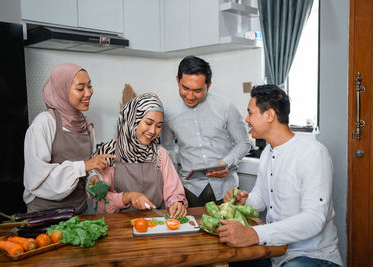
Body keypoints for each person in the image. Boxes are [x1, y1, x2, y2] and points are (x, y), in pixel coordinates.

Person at [218, 85, 342, 267]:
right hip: (275, 251)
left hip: (312, 255)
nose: (246, 119)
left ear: (269, 116)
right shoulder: (268, 151)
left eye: (250, 113)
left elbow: (314, 219)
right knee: (231, 261)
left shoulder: (313, 153)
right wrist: (244, 200)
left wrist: (253, 234)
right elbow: (261, 198)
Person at [23, 63, 114, 215]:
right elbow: (36, 177)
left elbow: (88, 164)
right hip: (44, 215)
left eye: (90, 86)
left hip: (79, 211)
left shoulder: (86, 125)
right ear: (62, 90)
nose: (88, 93)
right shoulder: (43, 123)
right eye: (80, 88)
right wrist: (84, 166)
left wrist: (92, 178)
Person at [161, 55, 251, 207]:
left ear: (208, 86)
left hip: (226, 190)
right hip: (189, 191)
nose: (189, 96)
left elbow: (244, 142)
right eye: (185, 88)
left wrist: (226, 163)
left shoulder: (226, 107)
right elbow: (167, 149)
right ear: (178, 80)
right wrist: (175, 187)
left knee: (229, 230)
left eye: (197, 90)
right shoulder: (169, 113)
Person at [92, 93, 188, 218]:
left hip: (153, 222)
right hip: (118, 223)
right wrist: (127, 197)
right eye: (148, 123)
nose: (153, 131)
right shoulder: (108, 152)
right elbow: (100, 204)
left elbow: (174, 191)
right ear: (132, 120)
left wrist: (177, 203)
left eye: (159, 126)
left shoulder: (160, 154)